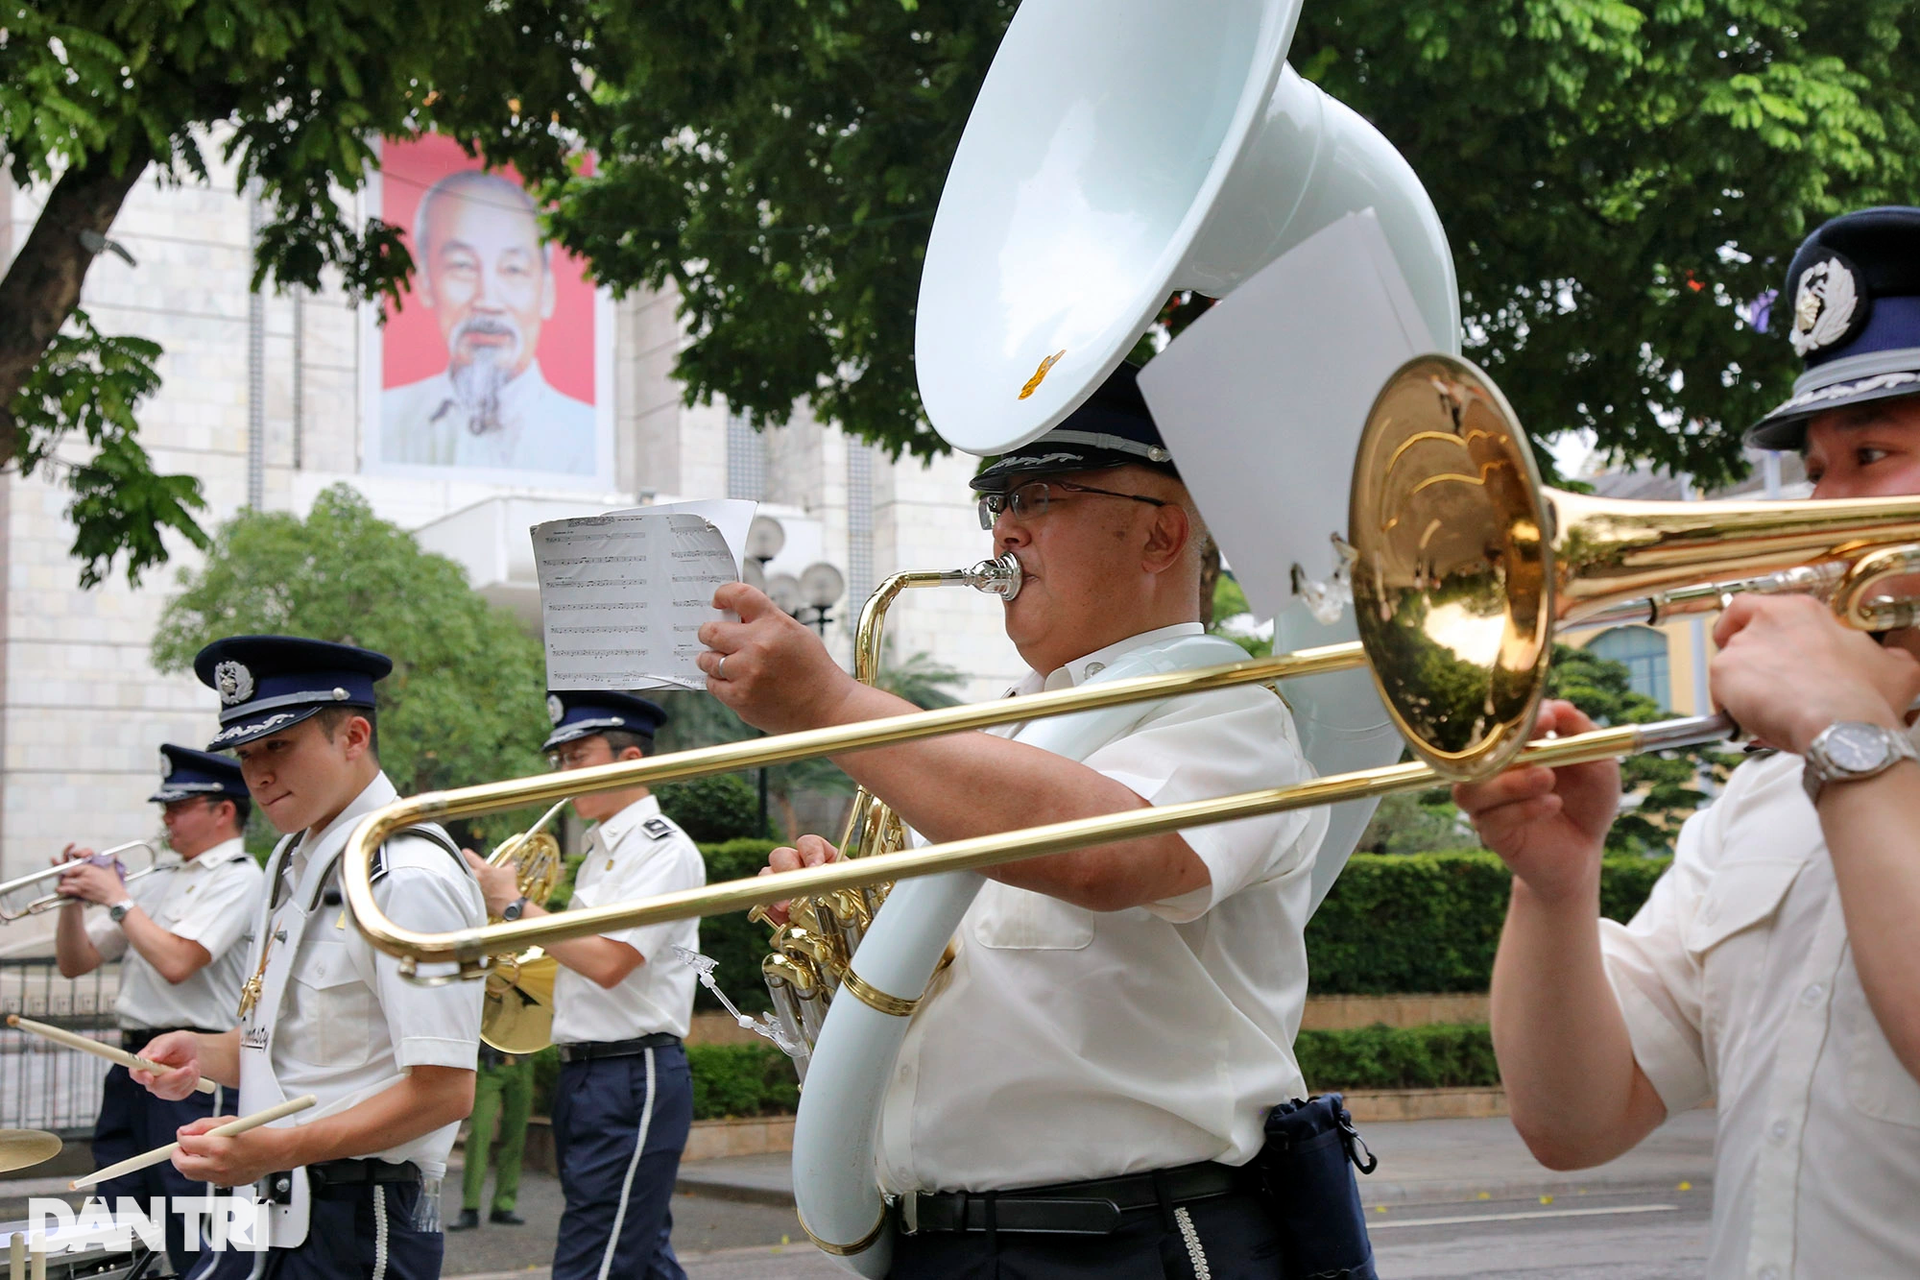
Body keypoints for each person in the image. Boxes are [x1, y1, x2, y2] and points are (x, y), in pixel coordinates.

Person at [700, 363, 1331, 1277]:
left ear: (1161, 535)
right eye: (996, 497)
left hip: (1131, 1240)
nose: (1004, 526)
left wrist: (829, 704)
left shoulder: (1227, 708)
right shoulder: (995, 732)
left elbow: (1108, 856)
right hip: (944, 1242)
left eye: (1042, 494)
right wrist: (843, 914)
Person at [1453, 206, 1920, 1280]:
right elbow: (1578, 1121)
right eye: (1818, 467)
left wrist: (1845, 731)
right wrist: (1556, 886)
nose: (1822, 508)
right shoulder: (1771, 791)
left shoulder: (1825, 747)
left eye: (1873, 454)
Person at [134, 636, 486, 1280]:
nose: (259, 774)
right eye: (246, 754)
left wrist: (279, 1149)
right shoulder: (293, 857)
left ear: (353, 737)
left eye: (279, 744)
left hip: (362, 1211)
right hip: (274, 1203)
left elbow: (445, 1091)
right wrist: (205, 1052)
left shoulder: (406, 875)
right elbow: (301, 1046)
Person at [463, 691, 703, 1280]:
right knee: (638, 1253)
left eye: (578, 756)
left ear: (628, 760)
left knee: (593, 1259)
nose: (565, 773)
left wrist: (515, 906)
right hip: (588, 1073)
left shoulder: (660, 847)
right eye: (561, 760)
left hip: (632, 1072)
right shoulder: (599, 852)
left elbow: (607, 961)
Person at [54, 745, 265, 1275]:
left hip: (196, 1067)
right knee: (118, 1202)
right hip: (132, 1061)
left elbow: (178, 962)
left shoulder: (241, 877)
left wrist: (118, 900)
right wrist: (73, 904)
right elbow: (75, 962)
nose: (166, 818)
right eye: (165, 807)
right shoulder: (160, 876)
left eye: (179, 805)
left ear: (223, 810)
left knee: (194, 1211)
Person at [380, 169, 597, 474]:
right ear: (426, 283)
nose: (488, 301)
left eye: (513, 269)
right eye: (462, 266)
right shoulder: (385, 419)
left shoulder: (588, 437)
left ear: (547, 291)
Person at [447, 1045, 534, 1232]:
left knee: (515, 1138)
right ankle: (470, 1206)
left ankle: (504, 1205)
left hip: (521, 1063)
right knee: (478, 1134)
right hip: (488, 1063)